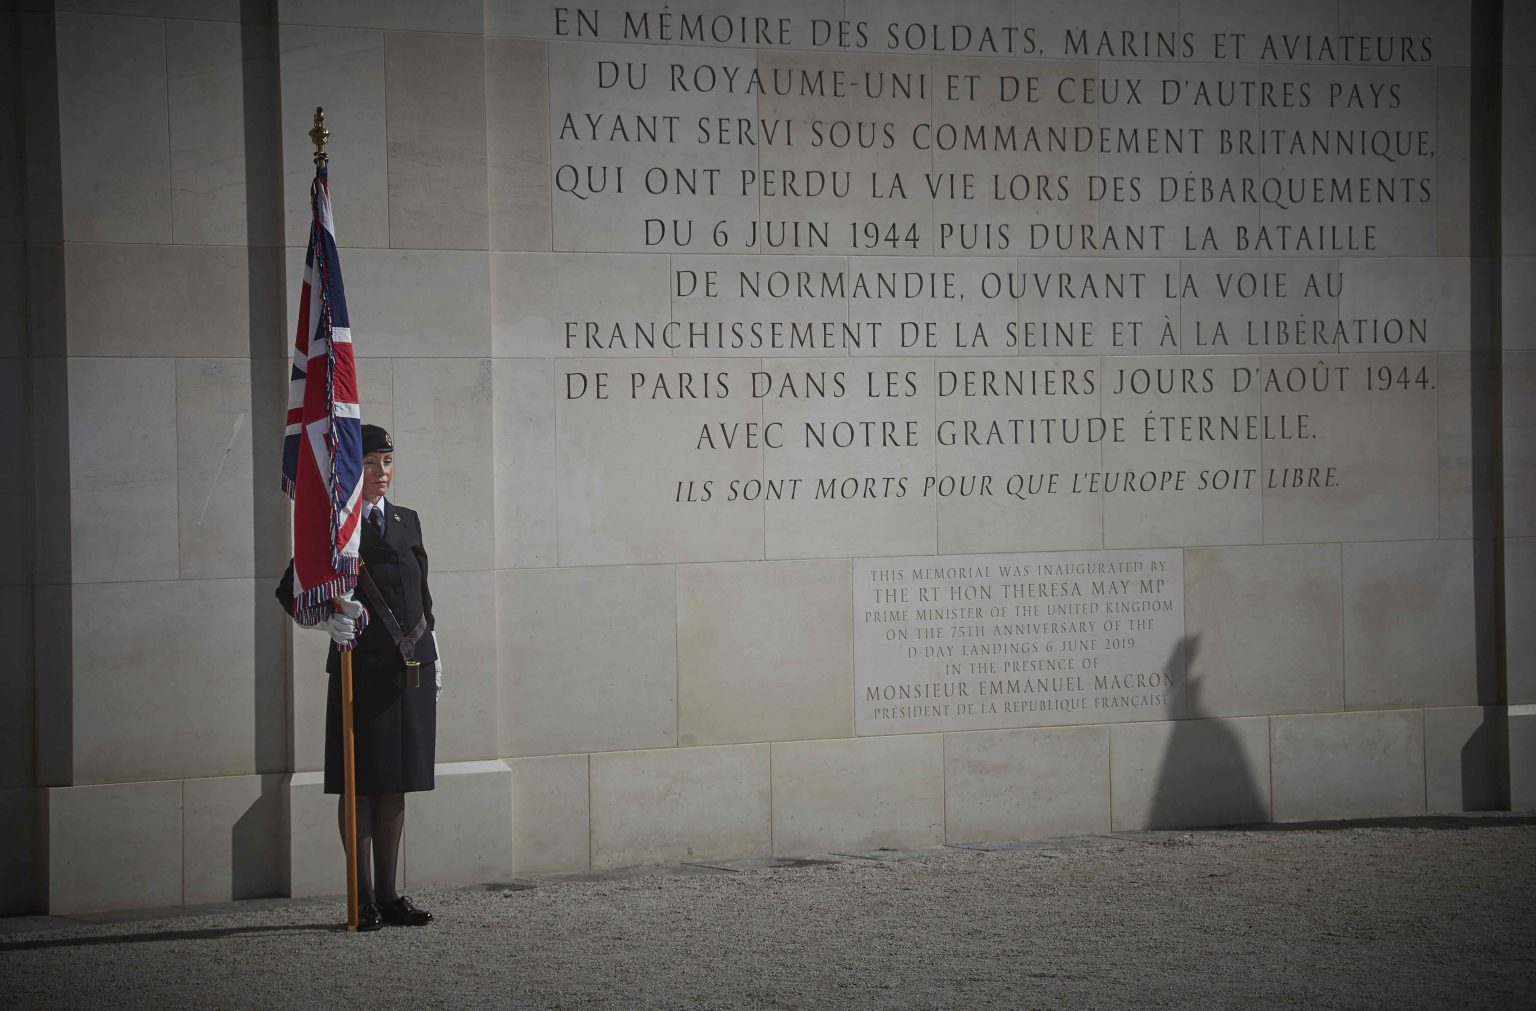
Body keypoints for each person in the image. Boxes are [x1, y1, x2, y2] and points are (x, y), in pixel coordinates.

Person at [277, 423, 440, 930]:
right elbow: (291, 590)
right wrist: (326, 620)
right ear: (353, 470)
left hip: (408, 672)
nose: (381, 473)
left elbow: (423, 594)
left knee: (396, 785)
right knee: (362, 784)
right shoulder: (338, 527)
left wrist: (436, 648)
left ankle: (390, 895)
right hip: (361, 671)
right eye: (370, 464)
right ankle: (362, 896)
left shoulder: (407, 520)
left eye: (387, 463)